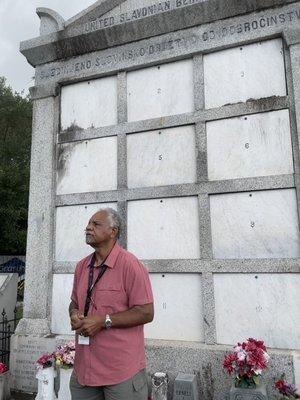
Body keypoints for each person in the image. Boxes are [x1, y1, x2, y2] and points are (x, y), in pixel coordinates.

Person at [69, 207, 154, 400]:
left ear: (113, 231)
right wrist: (74, 313)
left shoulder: (130, 265)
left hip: (120, 372)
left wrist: (103, 321)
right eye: (88, 224)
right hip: (84, 372)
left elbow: (146, 312)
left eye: (95, 224)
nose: (88, 228)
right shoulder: (82, 266)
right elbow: (74, 301)